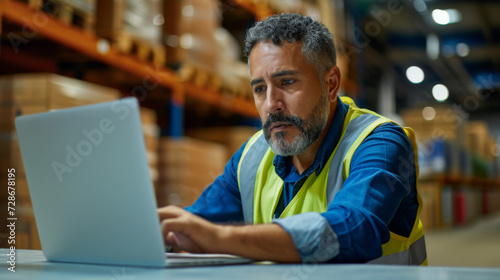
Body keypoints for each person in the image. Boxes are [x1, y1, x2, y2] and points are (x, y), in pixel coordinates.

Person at [158, 13, 427, 265]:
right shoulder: (252, 156)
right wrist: (161, 232)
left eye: (287, 82)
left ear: (331, 84)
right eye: (260, 89)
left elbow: (353, 230)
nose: (272, 104)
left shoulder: (380, 143)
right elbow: (195, 224)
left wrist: (220, 238)